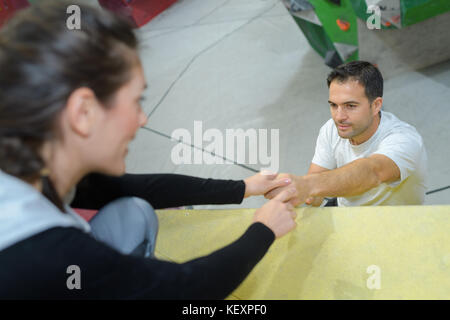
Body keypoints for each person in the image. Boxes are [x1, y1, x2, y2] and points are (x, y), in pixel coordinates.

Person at [0, 1, 298, 299]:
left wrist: (244, 187)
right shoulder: (46, 255)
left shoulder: (31, 162)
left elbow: (137, 188)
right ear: (82, 112)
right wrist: (263, 229)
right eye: (135, 101)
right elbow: (186, 289)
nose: (143, 119)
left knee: (135, 211)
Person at [266, 61, 427, 206]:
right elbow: (314, 191)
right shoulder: (331, 129)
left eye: (350, 106)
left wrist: (309, 185)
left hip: (394, 225)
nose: (339, 117)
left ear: (376, 105)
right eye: (334, 105)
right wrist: (297, 193)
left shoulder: (404, 139)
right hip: (346, 212)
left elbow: (373, 172)